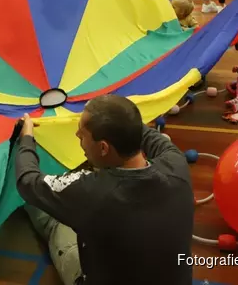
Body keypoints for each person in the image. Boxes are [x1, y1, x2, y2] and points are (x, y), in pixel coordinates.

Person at [15, 94, 194, 285]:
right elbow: (142, 132)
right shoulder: (176, 165)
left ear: (103, 148)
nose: (77, 136)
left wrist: (26, 138)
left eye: (82, 134)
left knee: (52, 221)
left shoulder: (90, 192)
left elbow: (28, 181)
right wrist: (107, 112)